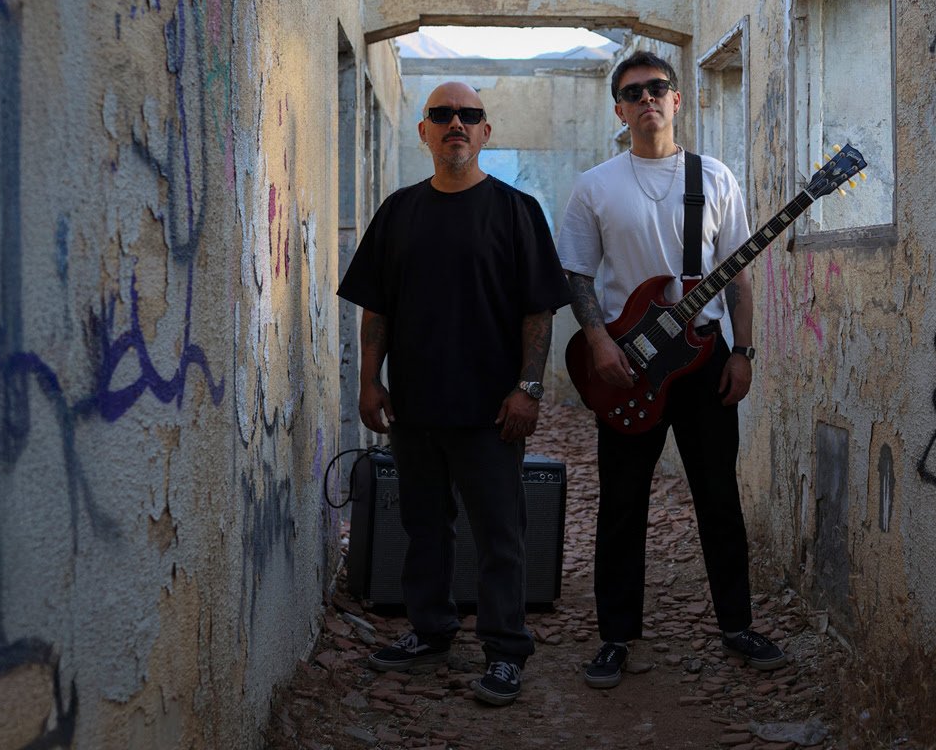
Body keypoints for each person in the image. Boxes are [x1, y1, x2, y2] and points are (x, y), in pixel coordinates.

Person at [336, 81, 572, 706]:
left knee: (500, 532)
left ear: (486, 132)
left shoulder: (517, 211)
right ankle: (431, 630)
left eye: (469, 115)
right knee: (423, 525)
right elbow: (376, 306)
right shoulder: (399, 212)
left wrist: (528, 389)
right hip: (415, 406)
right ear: (424, 132)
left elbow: (539, 311)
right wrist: (368, 380)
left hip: (492, 410)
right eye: (441, 115)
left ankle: (505, 650)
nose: (456, 124)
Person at [557, 51, 787, 689]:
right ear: (619, 110)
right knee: (622, 502)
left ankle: (736, 625)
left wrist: (743, 352)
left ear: (677, 99)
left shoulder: (713, 178)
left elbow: (738, 275)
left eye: (657, 88)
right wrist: (598, 343)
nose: (647, 99)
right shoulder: (596, 186)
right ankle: (615, 636)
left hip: (704, 358)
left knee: (718, 496)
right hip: (626, 364)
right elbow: (576, 273)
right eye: (633, 93)